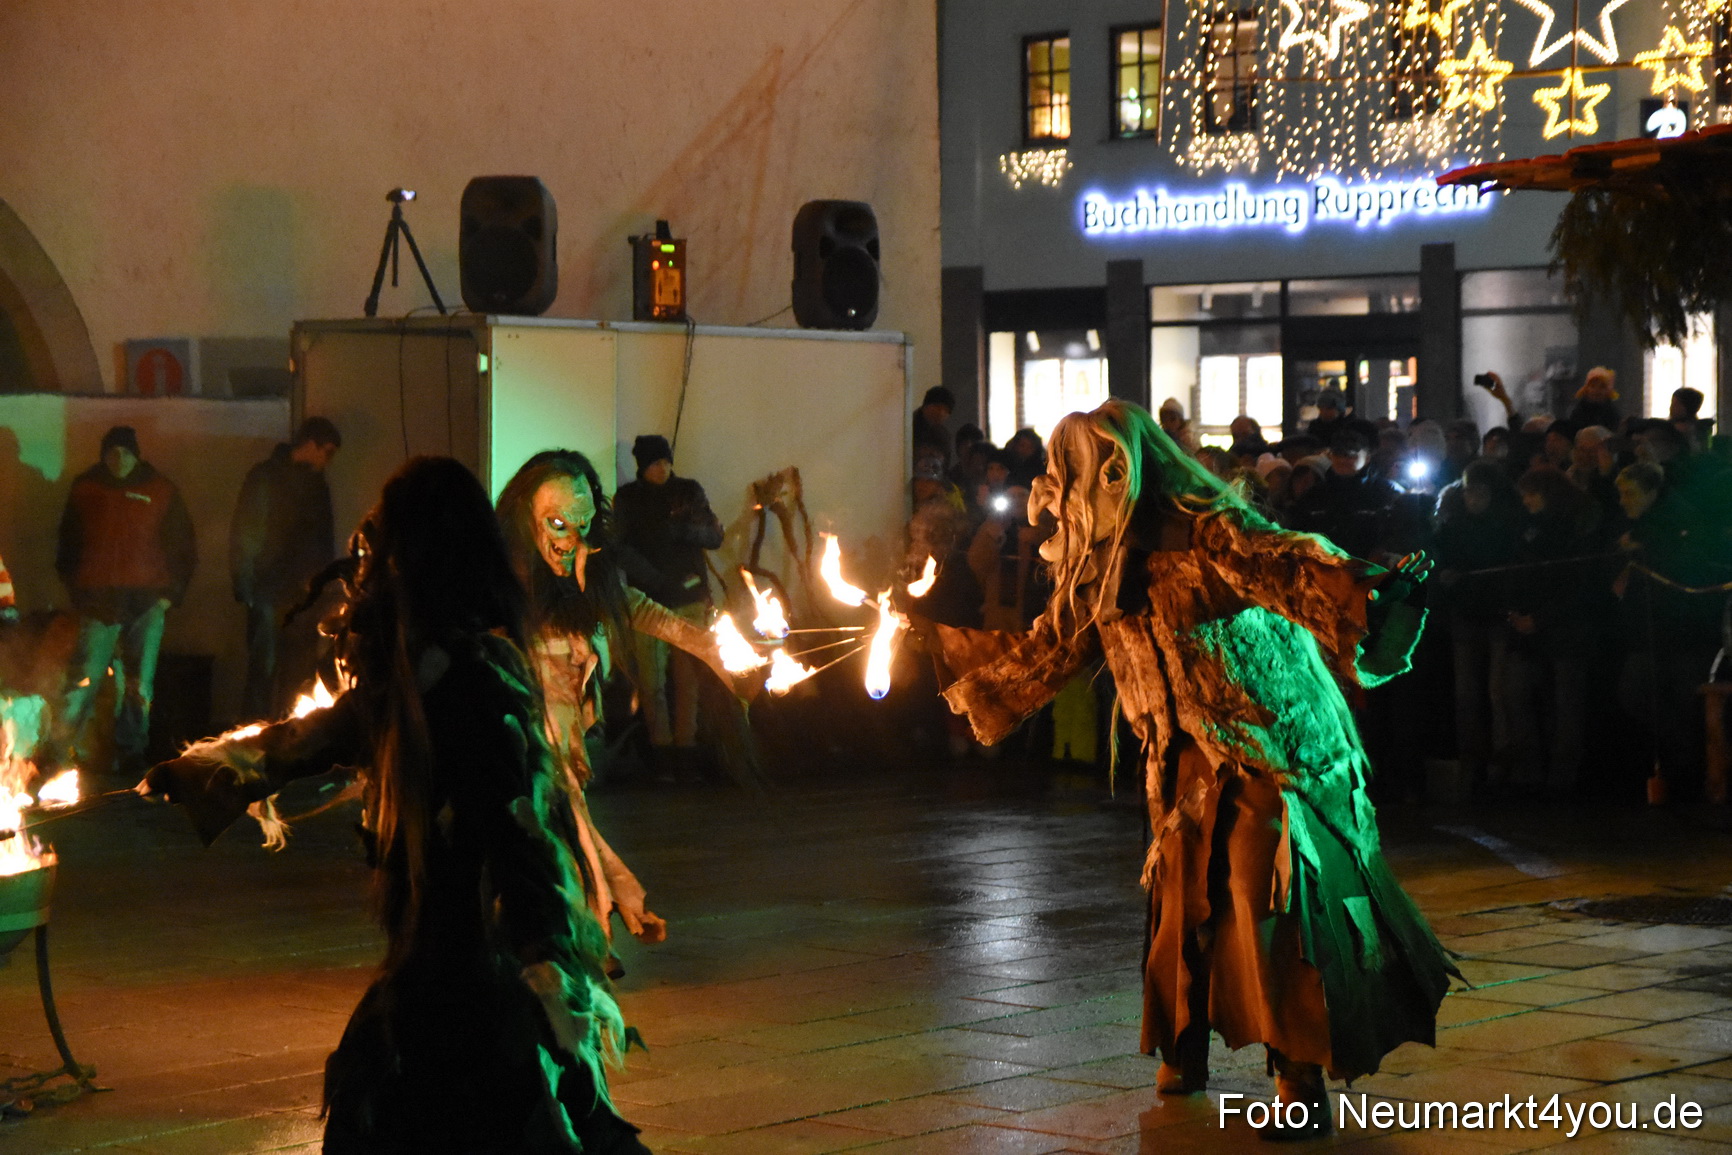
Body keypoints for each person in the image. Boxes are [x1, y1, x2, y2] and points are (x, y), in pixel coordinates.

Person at [922, 400, 1455, 1136]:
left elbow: (1291, 563)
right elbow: (1048, 650)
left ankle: (1297, 1073)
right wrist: (935, 646)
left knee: (1264, 892)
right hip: (1178, 761)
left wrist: (1375, 591)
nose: (1058, 490)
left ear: (1116, 470)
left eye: (1072, 473)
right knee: (1181, 902)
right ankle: (1182, 1048)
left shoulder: (1209, 532)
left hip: (1266, 749)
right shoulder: (1098, 565)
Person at [142, 456, 651, 1154]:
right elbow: (328, 731)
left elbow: (520, 827)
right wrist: (211, 767)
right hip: (429, 959)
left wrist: (547, 968)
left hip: (475, 965)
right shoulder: (420, 670)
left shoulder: (478, 679)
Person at [497, 449, 741, 942]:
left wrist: (710, 647)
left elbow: (635, 608)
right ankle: (594, 919)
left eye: (584, 525)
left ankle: (579, 928)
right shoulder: (498, 574)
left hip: (565, 723)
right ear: (526, 517)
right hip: (517, 720)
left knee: (559, 814)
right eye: (558, 525)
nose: (572, 540)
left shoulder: (593, 568)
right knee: (551, 814)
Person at [54, 425, 196, 775]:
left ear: (137, 455)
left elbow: (182, 544)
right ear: (103, 456)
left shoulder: (160, 490)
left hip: (145, 603)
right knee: (83, 680)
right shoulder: (85, 488)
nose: (118, 459)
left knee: (138, 683)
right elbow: (68, 542)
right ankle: (62, 751)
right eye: (112, 453)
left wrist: (170, 595)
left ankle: (131, 752)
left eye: (125, 453)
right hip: (98, 602)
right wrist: (78, 591)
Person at [612, 435, 725, 762]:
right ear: (642, 466)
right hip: (648, 602)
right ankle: (661, 750)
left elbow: (714, 536)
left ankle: (686, 748)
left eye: (665, 461)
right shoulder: (628, 499)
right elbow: (618, 548)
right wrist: (653, 579)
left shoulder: (688, 491)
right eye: (654, 463)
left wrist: (683, 530)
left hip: (690, 597)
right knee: (651, 681)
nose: (662, 468)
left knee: (688, 679)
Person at [230, 417, 341, 718]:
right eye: (327, 452)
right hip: (273, 590)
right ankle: (268, 734)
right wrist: (246, 586)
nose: (328, 461)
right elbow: (248, 533)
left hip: (289, 593)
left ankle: (269, 734)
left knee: (290, 672)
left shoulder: (277, 477)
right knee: (271, 672)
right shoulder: (274, 478)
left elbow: (248, 532)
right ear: (311, 445)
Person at [912, 386, 956, 473]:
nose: (941, 413)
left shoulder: (943, 435)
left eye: (946, 410)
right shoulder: (908, 425)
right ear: (926, 406)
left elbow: (945, 468)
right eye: (938, 407)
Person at [1568, 366, 1622, 432]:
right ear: (1586, 389)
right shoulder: (1578, 412)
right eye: (1593, 386)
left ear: (1608, 392)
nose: (1596, 390)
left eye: (1602, 387)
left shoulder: (1613, 414)